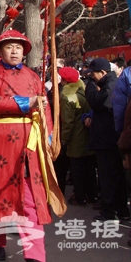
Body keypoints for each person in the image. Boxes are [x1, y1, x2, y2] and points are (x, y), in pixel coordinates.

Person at [0, 29, 61, 262]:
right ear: (0, 51)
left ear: (24, 51)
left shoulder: (33, 76)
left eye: (18, 47)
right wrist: (27, 102)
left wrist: (49, 136)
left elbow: (45, 108)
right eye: (9, 47)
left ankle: (35, 255)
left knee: (30, 198)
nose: (14, 51)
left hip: (29, 143)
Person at [84, 57, 129, 221]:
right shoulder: (111, 83)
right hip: (109, 137)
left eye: (93, 75)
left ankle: (110, 211)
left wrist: (89, 86)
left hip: (108, 138)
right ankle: (120, 210)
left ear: (103, 72)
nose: (92, 78)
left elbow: (96, 102)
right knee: (115, 175)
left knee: (108, 176)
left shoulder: (111, 86)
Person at [58, 66, 97, 206]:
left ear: (64, 81)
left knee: (77, 169)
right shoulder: (84, 91)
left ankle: (79, 196)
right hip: (88, 135)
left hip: (76, 138)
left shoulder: (67, 97)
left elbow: (68, 123)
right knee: (89, 168)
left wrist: (63, 140)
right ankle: (92, 195)